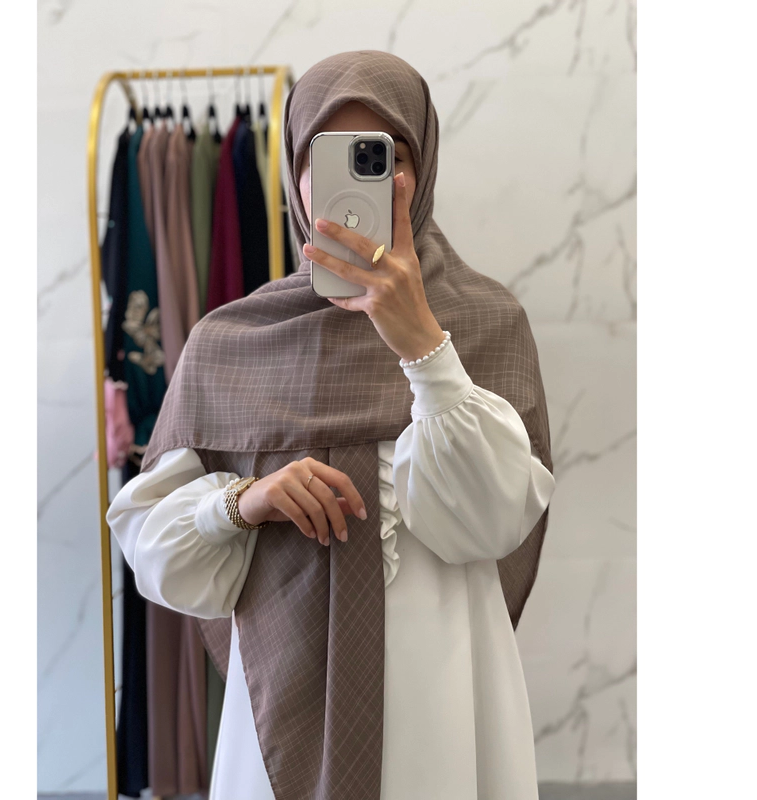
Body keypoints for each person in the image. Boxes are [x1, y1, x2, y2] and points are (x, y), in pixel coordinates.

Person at [107, 50, 556, 800]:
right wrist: (242, 502)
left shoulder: (488, 323)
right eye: (328, 155)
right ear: (294, 173)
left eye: (385, 155)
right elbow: (151, 551)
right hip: (278, 702)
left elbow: (495, 521)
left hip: (447, 698)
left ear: (421, 170)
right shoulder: (231, 342)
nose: (359, 182)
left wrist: (424, 346)